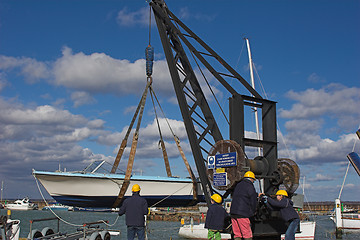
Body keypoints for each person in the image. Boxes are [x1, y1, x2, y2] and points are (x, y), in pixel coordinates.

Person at [230, 171, 257, 240]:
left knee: (237, 234)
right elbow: (253, 200)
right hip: (243, 214)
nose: (253, 182)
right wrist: (253, 211)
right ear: (251, 179)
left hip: (233, 213)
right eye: (253, 180)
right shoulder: (249, 186)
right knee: (247, 234)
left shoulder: (238, 185)